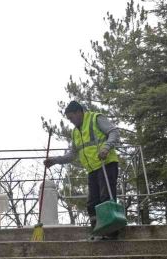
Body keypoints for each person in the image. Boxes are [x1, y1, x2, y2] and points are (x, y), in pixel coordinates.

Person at [44, 101, 121, 238]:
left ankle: (111, 232)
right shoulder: (75, 133)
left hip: (106, 164)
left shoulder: (95, 118)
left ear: (79, 112)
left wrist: (106, 148)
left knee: (105, 198)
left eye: (71, 117)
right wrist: (54, 160)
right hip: (92, 169)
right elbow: (72, 155)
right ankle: (98, 231)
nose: (71, 121)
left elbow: (114, 132)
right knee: (92, 203)